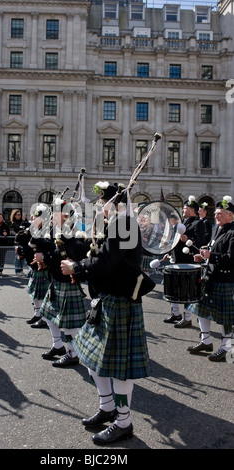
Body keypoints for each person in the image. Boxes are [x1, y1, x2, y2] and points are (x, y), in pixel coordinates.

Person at [61, 182, 150, 445]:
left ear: (116, 203)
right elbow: (93, 255)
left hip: (120, 300)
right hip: (105, 300)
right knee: (91, 358)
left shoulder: (125, 224)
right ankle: (107, 407)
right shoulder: (111, 225)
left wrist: (77, 267)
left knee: (119, 371)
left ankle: (123, 423)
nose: (100, 206)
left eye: (103, 202)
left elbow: (107, 262)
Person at [34, 198, 89, 368]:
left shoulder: (74, 229)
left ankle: (73, 354)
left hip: (67, 280)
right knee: (49, 316)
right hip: (57, 278)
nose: (52, 216)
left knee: (69, 325)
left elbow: (75, 251)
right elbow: (55, 247)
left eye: (56, 213)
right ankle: (58, 346)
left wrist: (47, 256)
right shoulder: (58, 229)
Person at [187, 195, 234, 362]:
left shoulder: (233, 232)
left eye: (220, 213)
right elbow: (214, 254)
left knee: (225, 317)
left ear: (230, 215)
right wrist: (203, 257)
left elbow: (230, 258)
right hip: (211, 276)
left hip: (225, 280)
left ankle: (226, 348)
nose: (216, 215)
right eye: (216, 213)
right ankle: (205, 341)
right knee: (200, 309)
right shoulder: (219, 229)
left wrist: (211, 255)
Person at [163, 195, 205, 328]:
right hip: (177, 259)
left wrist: (187, 239)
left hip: (188, 261)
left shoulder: (199, 223)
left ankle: (187, 318)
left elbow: (201, 242)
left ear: (192, 209)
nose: (183, 210)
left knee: (187, 291)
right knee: (171, 287)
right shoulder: (184, 222)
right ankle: (176, 313)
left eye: (185, 208)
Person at [10, 209, 30, 276]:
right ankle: (17, 270)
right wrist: (23, 226)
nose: (19, 216)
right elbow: (19, 229)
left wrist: (25, 220)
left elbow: (28, 226)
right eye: (18, 215)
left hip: (24, 241)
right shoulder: (14, 222)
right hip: (17, 241)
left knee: (22, 256)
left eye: (20, 215)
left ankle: (21, 270)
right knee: (17, 256)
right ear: (14, 215)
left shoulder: (22, 221)